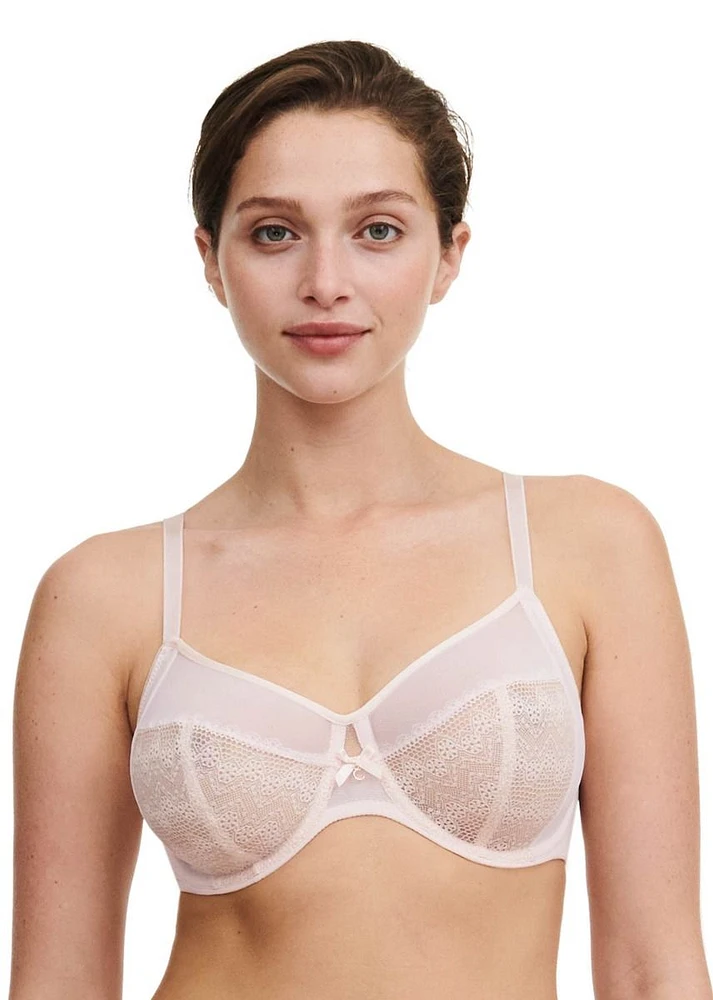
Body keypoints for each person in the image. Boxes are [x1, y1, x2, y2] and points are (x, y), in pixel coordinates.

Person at [10, 38, 711, 1000]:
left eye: (377, 230)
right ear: (211, 261)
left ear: (448, 254)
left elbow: (652, 969)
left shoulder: (589, 546)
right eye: (274, 233)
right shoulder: (102, 596)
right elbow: (56, 981)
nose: (325, 282)